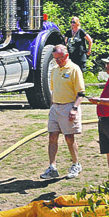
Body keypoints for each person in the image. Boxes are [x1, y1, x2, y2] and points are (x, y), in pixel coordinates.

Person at [40, 45, 85, 180]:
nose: (57, 61)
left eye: (59, 58)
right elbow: (54, 90)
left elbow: (81, 93)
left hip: (68, 106)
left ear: (66, 56)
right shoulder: (54, 70)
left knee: (69, 137)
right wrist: (52, 107)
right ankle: (52, 167)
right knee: (52, 136)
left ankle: (76, 164)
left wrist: (75, 108)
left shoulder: (74, 69)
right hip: (56, 107)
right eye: (55, 59)